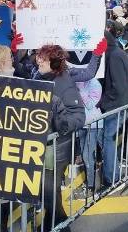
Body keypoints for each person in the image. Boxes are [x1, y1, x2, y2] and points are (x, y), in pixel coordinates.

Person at [32, 44, 86, 230]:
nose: (38, 60)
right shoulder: (40, 76)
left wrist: (59, 118)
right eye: (38, 56)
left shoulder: (65, 85)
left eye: (43, 58)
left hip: (56, 151)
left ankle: (61, 227)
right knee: (48, 194)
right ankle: (50, 226)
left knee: (49, 194)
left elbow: (78, 117)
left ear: (54, 63)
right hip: (43, 146)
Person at [99, 21, 128, 187]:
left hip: (116, 105)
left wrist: (104, 102)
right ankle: (112, 171)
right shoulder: (115, 52)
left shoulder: (114, 55)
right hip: (118, 104)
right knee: (106, 139)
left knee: (108, 140)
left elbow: (118, 86)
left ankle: (112, 177)